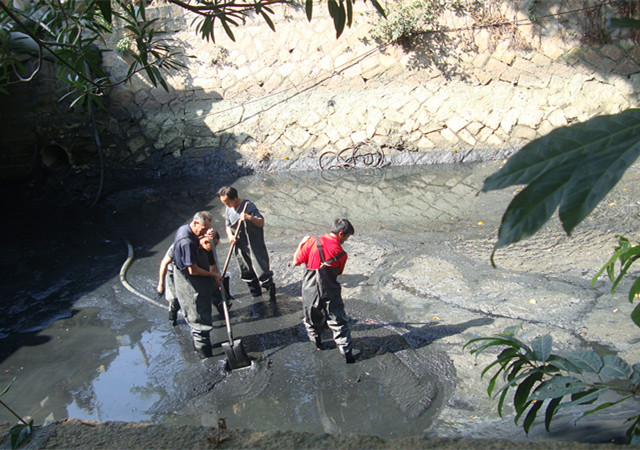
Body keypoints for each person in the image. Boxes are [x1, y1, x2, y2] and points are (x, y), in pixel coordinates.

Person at [292, 218, 356, 364]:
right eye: (346, 237)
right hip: (330, 290)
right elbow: (338, 273)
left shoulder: (311, 242)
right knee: (338, 320)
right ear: (340, 234)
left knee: (311, 318)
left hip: (310, 289)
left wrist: (301, 244)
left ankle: (318, 344)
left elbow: (296, 261)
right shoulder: (342, 253)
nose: (345, 240)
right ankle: (347, 354)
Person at [172, 211, 223, 358]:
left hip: (198, 280)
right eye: (203, 229)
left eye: (208, 229)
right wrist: (213, 275)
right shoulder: (186, 241)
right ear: (195, 223)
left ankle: (203, 349)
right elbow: (193, 270)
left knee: (202, 311)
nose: (205, 232)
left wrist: (207, 233)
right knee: (198, 319)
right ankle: (205, 357)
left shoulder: (187, 229)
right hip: (189, 283)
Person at [217, 186, 276, 302]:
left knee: (262, 270)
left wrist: (248, 217)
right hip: (240, 245)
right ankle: (256, 297)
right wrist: (230, 236)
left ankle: (272, 296)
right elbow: (228, 225)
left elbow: (261, 222)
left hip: (253, 244)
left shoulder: (248, 206)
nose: (226, 205)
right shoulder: (228, 209)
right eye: (224, 203)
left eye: (227, 202)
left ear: (234, 198)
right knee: (246, 271)